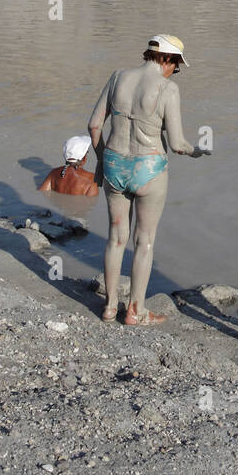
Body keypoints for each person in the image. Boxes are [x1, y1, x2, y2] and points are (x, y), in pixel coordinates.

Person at [88, 35, 207, 325]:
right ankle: (135, 311)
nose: (174, 71)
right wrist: (198, 152)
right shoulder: (168, 88)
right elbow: (177, 143)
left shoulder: (118, 77)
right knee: (144, 241)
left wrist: (103, 160)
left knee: (116, 238)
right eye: (176, 65)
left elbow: (93, 125)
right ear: (168, 59)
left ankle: (109, 307)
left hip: (115, 163)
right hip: (149, 168)